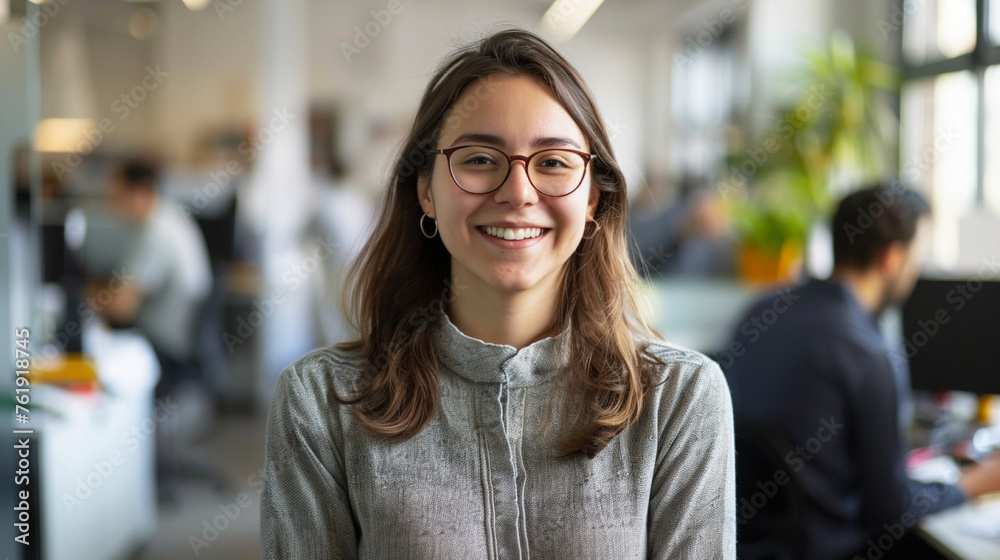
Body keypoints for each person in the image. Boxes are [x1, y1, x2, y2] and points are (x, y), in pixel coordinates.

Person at [261, 28, 735, 559]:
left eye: (553, 162)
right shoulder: (322, 402)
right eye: (480, 159)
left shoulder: (680, 400)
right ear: (426, 191)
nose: (517, 193)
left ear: (594, 199)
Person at [722, 183, 1000, 560]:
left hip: (748, 542)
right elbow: (892, 510)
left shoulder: (758, 312)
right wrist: (976, 482)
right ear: (891, 258)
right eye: (917, 255)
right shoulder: (866, 352)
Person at [92, 157, 212, 392]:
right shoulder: (170, 215)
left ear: (141, 192)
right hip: (179, 338)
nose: (112, 205)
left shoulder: (155, 232)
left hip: (165, 346)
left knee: (99, 362)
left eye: (118, 195)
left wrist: (83, 295)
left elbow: (121, 307)